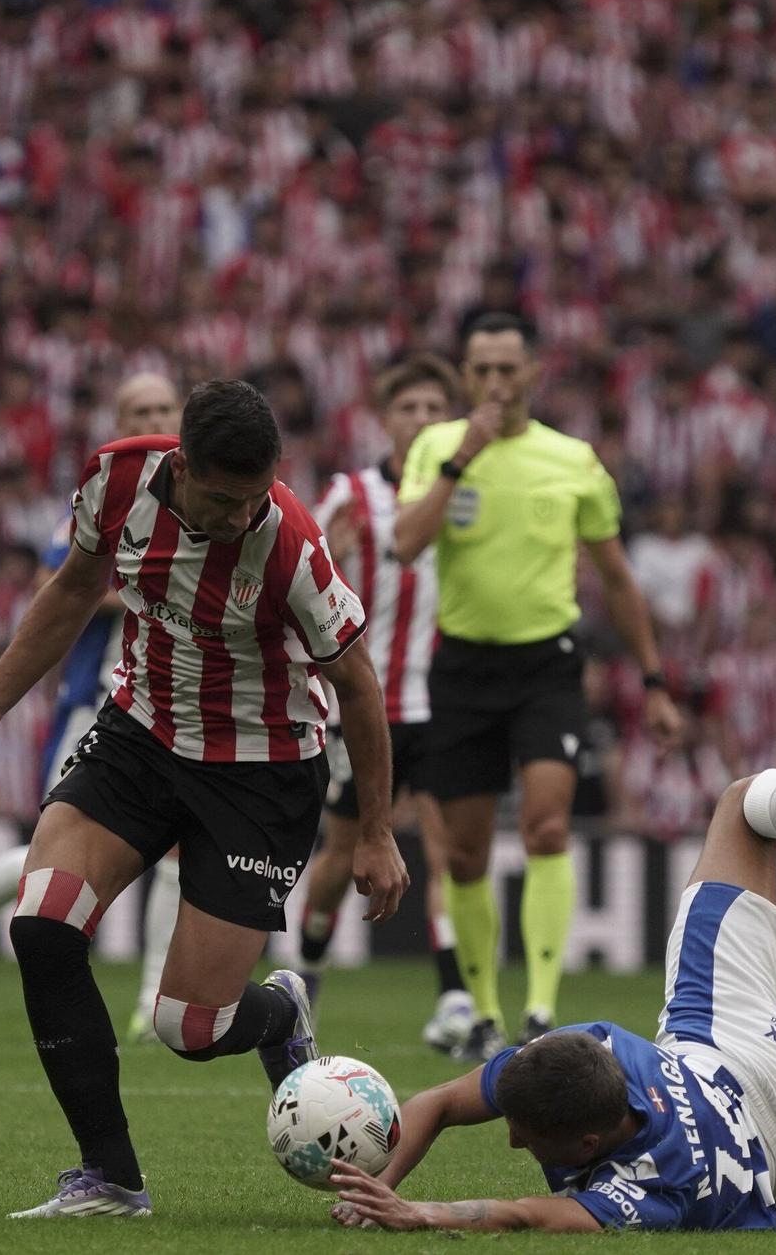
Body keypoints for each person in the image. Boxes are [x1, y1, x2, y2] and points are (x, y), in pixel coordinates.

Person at [0, 379, 408, 1218]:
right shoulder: (116, 481)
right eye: (220, 499)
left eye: (254, 498)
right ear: (181, 466)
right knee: (42, 922)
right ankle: (110, 1177)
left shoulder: (289, 543)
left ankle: (279, 1010)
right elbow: (74, 586)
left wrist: (377, 832)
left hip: (261, 771)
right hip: (141, 735)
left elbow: (356, 685)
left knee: (189, 1027)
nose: (237, 516)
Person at [324, 695, 776, 1233]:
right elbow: (455, 1123)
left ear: (593, 1141)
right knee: (745, 807)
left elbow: (524, 1210)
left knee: (773, 1011)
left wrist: (417, 1207)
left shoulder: (650, 1190)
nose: (510, 1136)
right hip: (715, 1068)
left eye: (524, 1131)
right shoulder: (600, 1046)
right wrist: (380, 1188)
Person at [394, 311, 683, 1058]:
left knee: (548, 824)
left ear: (532, 372)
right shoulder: (436, 446)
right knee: (462, 854)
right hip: (461, 664)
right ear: (465, 375)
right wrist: (463, 458)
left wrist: (652, 679)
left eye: (505, 368)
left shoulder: (574, 460)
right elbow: (404, 541)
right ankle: (486, 1012)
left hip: (547, 665)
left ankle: (540, 1008)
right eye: (480, 368)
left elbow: (617, 578)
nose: (493, 381)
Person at [0, 373, 192, 1045]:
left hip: (178, 708)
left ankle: (152, 999)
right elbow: (54, 586)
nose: (153, 417)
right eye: (139, 410)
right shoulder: (100, 505)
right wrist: (147, 590)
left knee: (177, 847)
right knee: (55, 855)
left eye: (163, 408)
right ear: (120, 425)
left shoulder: (206, 505)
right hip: (98, 702)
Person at [300, 354, 471, 1050]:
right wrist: (331, 558)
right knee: (343, 855)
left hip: (448, 699)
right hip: (367, 704)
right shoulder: (349, 493)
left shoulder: (472, 493)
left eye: (436, 409)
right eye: (411, 408)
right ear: (386, 418)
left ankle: (457, 995)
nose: (424, 420)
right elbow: (299, 570)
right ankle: (306, 967)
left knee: (447, 848)